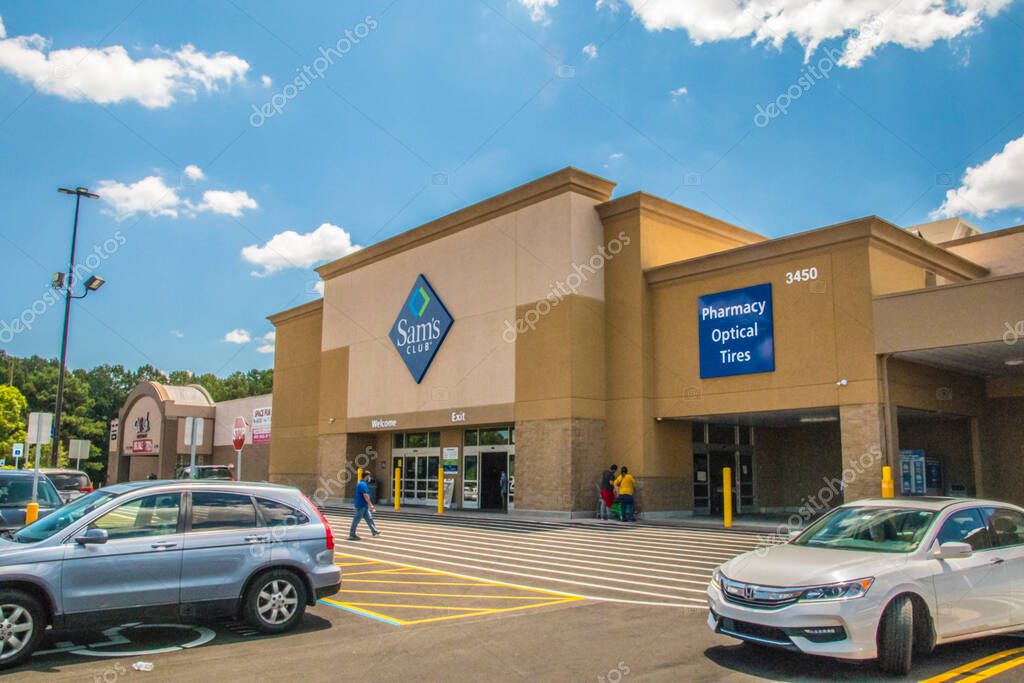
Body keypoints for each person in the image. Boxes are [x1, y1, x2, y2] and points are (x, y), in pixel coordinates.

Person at [348, 471, 380, 540]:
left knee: (369, 518)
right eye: (369, 477)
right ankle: (352, 534)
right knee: (356, 520)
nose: (369, 478)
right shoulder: (362, 484)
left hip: (364, 505)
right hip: (361, 505)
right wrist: (371, 505)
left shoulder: (362, 483)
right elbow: (365, 495)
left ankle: (374, 531)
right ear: (366, 477)